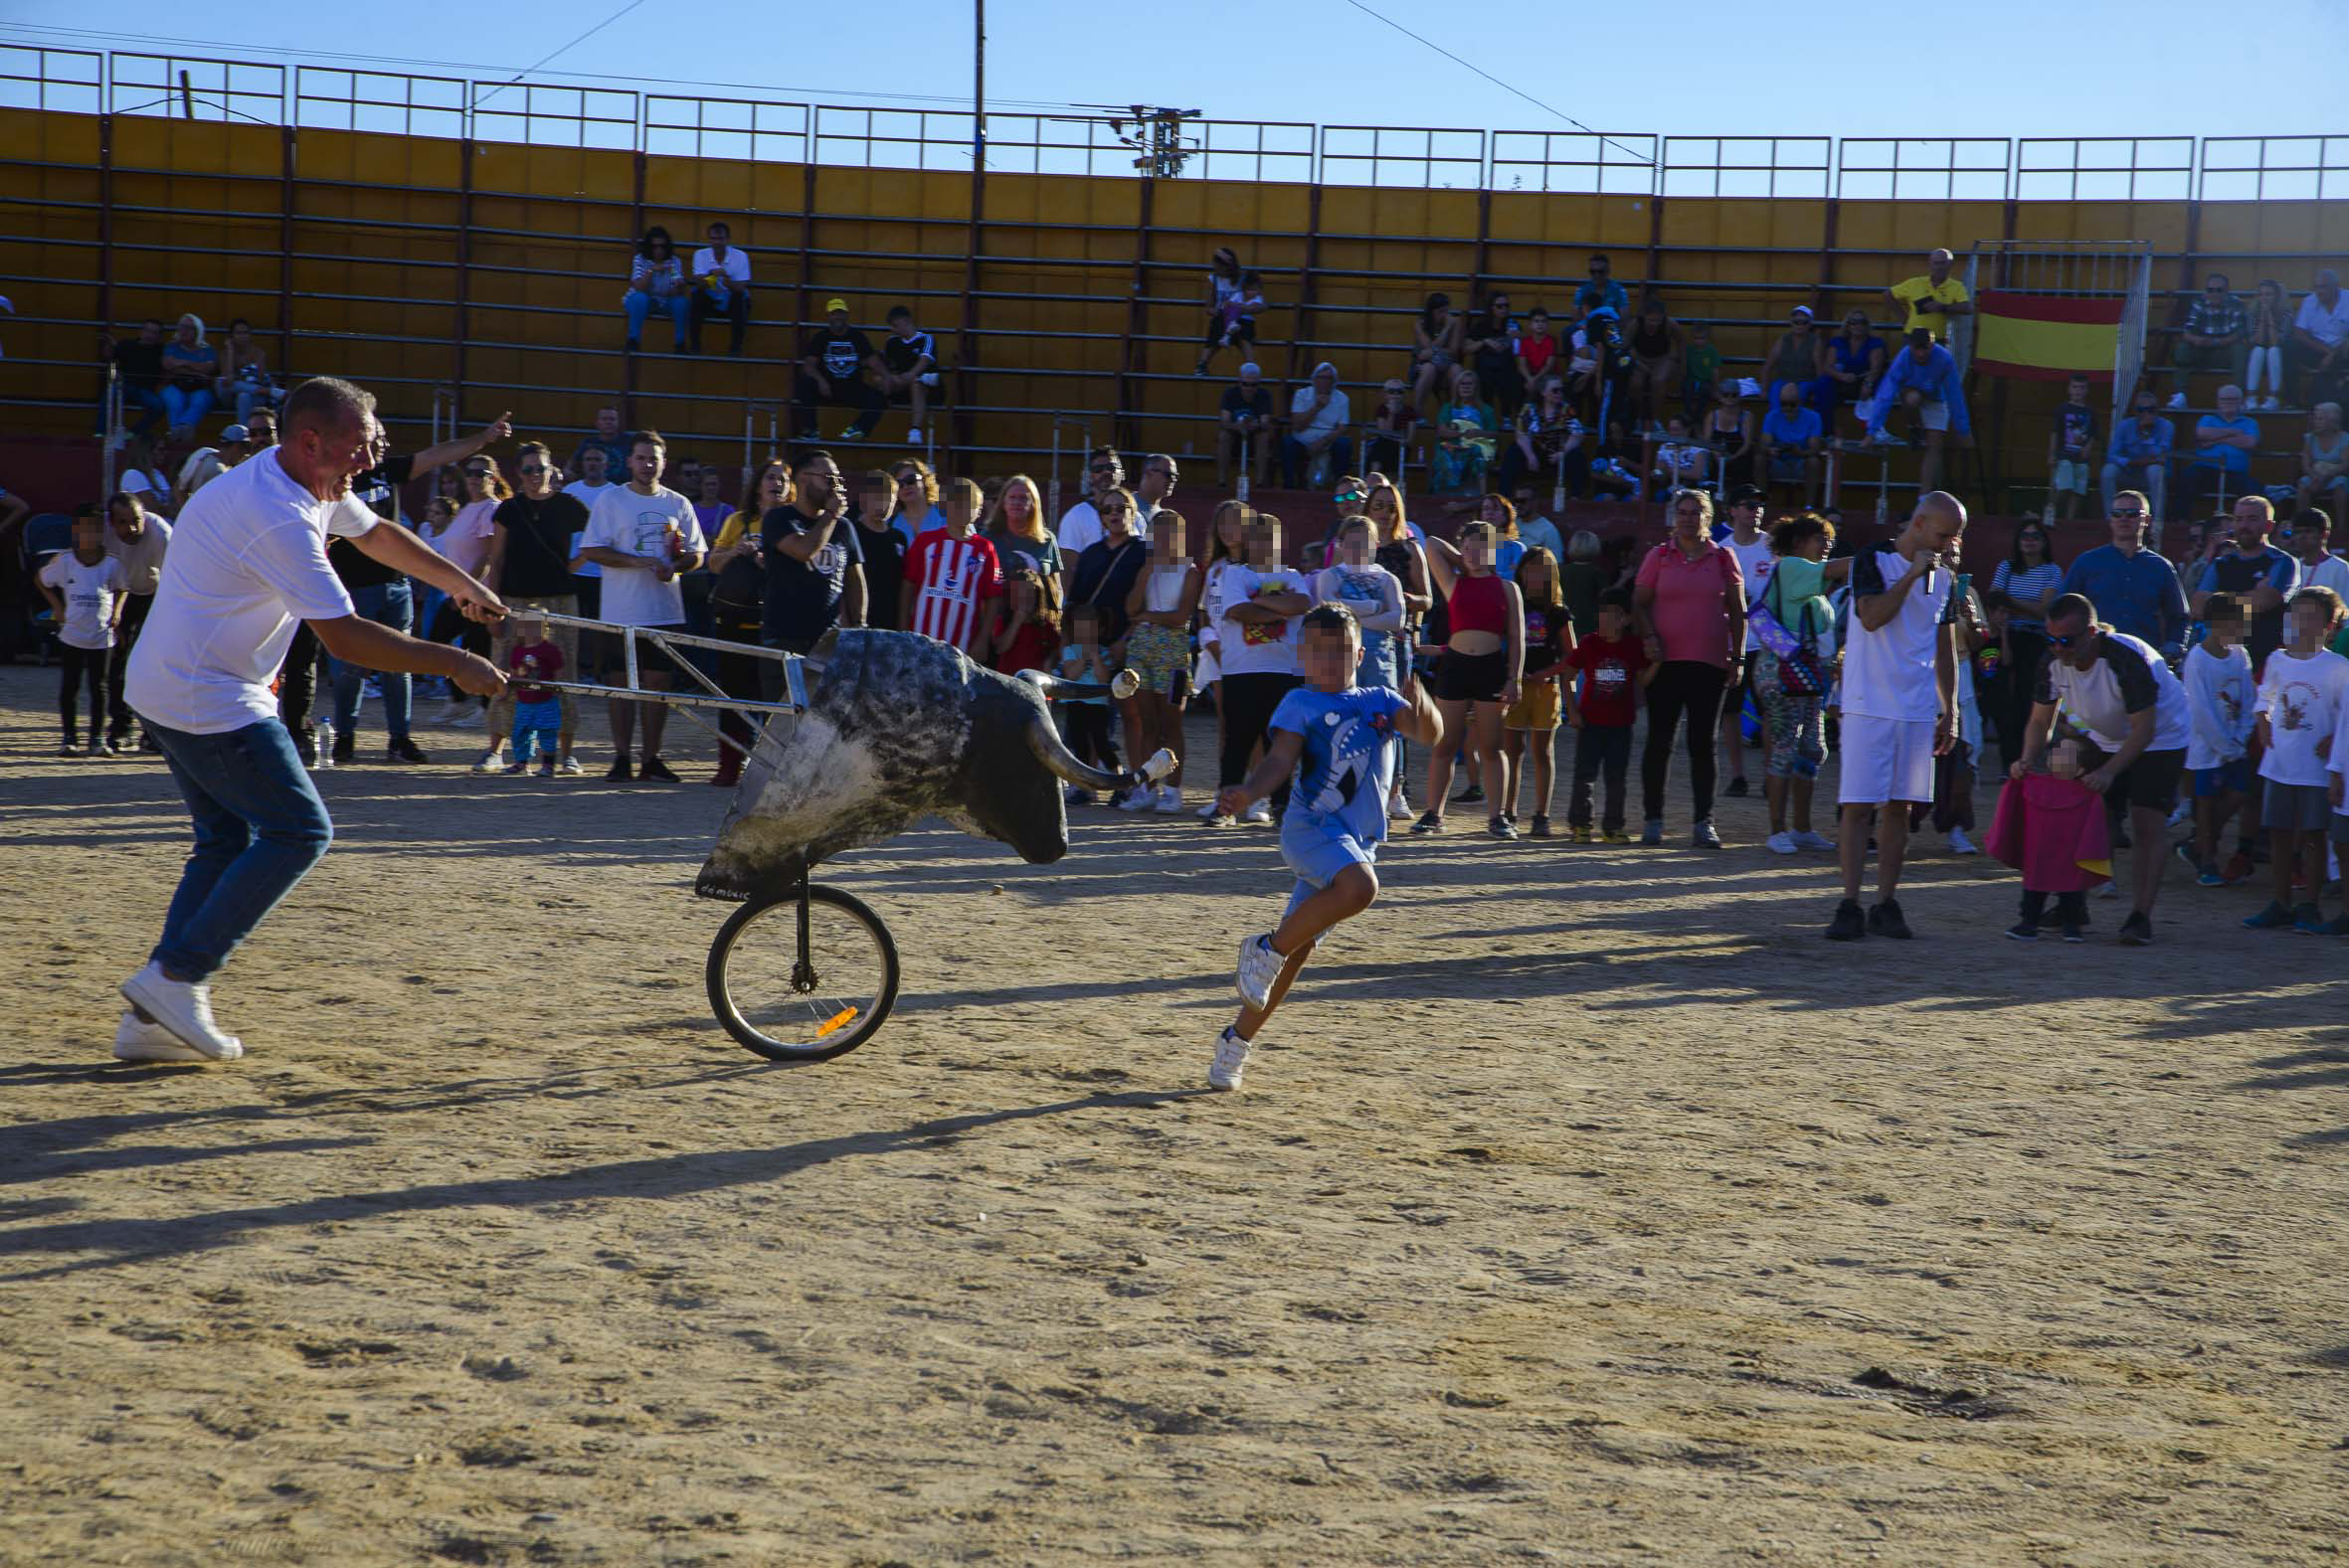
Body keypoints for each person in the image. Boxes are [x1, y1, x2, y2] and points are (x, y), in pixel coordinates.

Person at [117, 377, 507, 1063]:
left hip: (174, 684)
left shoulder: (305, 481)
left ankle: (152, 1017)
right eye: (362, 445)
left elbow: (377, 532)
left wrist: (461, 583)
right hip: (205, 694)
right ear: (311, 441)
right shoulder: (280, 514)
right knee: (299, 829)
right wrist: (454, 661)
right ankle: (177, 976)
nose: (371, 457)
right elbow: (347, 638)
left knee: (224, 840)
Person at [1207, 603, 1443, 1093]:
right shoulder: (1298, 703)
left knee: (1296, 953)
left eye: (1340, 652)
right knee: (1361, 889)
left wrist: (1423, 706)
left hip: (1355, 841)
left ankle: (1235, 1042)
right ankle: (1262, 947)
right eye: (1319, 652)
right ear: (1302, 657)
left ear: (1359, 653)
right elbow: (1278, 761)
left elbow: (1429, 734)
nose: (1330, 661)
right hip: (1311, 831)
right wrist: (1249, 793)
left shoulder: (1379, 699)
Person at [324, 409, 512, 765]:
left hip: (395, 585)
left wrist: (483, 439)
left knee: (401, 665)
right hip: (353, 587)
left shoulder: (385, 470)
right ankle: (344, 739)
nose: (383, 444)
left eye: (383, 440)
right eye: (377, 438)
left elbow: (438, 454)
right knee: (349, 666)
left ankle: (400, 740)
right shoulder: (339, 478)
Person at [2009, 593, 2193, 946]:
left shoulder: (2124, 658)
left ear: (2091, 632)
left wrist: (2109, 773)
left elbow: (2144, 730)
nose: (2057, 647)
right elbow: (2038, 721)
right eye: (2051, 639)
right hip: (2100, 732)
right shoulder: (2051, 660)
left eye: (2066, 640)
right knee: (2059, 789)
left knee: (2146, 821)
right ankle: (2070, 905)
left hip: (2161, 737)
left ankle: (2140, 917)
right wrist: (2027, 758)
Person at [1825, 491, 1966, 941]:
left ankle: (1886, 901)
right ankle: (1849, 901)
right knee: (1858, 805)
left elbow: (1945, 643)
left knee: (1901, 808)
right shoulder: (1873, 558)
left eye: (1955, 536)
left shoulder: (1946, 575)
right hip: (1868, 702)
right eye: (1944, 534)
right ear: (1920, 523)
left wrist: (1952, 705)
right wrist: (1911, 575)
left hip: (1917, 705)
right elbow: (1870, 617)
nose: (1949, 544)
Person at [572, 431, 707, 782]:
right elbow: (592, 549)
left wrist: (674, 567)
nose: (648, 464)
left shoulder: (678, 503)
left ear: (664, 462)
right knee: (620, 686)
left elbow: (697, 554)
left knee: (658, 688)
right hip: (621, 610)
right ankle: (621, 756)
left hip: (664, 609)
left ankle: (652, 757)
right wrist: (639, 563)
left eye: (654, 458)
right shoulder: (611, 500)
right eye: (642, 458)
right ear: (630, 461)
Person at [1633, 489, 1746, 848]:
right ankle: (1653, 820)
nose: (1687, 518)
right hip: (1664, 663)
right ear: (1672, 517)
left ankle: (1703, 822)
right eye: (1681, 512)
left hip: (1709, 663)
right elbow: (1638, 604)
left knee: (1703, 744)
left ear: (1708, 517)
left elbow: (1738, 611)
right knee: (1659, 741)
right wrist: (1649, 636)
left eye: (1695, 512)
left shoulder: (1723, 557)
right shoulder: (1658, 556)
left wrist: (1737, 657)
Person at [2242, 587, 2349, 932]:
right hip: (2280, 762)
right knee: (2280, 832)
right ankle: (2280, 901)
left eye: (2312, 617)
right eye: (2297, 615)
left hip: (2317, 767)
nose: (2303, 623)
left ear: (2330, 625)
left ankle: (2309, 904)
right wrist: (2262, 723)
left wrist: (2334, 740)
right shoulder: (2277, 660)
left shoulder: (2338, 667)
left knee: (2315, 835)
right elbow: (2265, 698)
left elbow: (2345, 715)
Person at [481, 441, 590, 777]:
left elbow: (596, 540)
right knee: (507, 673)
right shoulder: (508, 510)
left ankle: (566, 754)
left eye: (540, 468)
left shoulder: (570, 506)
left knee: (561, 674)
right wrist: (491, 607)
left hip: (558, 600)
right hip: (514, 601)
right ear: (518, 473)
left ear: (551, 470)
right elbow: (496, 561)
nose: (534, 475)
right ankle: (496, 751)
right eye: (527, 469)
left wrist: (571, 566)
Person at [1416, 521, 1526, 838]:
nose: (1474, 553)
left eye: (1481, 547)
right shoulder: (1453, 583)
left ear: (1494, 550)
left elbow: (1517, 638)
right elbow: (1433, 542)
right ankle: (1433, 814)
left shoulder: (1508, 588)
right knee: (1445, 744)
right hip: (1455, 666)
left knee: (1492, 747)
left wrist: (1514, 679)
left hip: (1491, 669)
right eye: (1467, 547)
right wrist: (1463, 557)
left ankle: (1498, 817)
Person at [1213, 510, 1312, 827]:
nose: (1266, 543)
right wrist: (1278, 606)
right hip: (1241, 671)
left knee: (1280, 742)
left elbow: (1301, 605)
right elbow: (1238, 611)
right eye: (1259, 537)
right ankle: (1225, 806)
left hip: (1286, 672)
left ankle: (1282, 804)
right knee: (1238, 741)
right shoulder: (1234, 575)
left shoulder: (1293, 575)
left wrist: (1263, 606)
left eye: (1272, 537)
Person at [1752, 512, 1844, 853]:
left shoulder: (1811, 583)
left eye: (1829, 539)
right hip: (1783, 674)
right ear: (1798, 543)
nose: (1827, 545)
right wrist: (1879, 556)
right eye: (1821, 538)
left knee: (1811, 750)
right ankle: (1778, 829)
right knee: (1785, 749)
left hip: (1805, 678)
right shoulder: (1792, 567)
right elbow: (1837, 569)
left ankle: (1801, 829)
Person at [703, 458, 789, 784]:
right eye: (770, 477)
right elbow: (713, 563)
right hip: (736, 621)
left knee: (774, 701)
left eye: (782, 479)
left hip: (776, 624)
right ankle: (729, 764)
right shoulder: (738, 521)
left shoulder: (796, 525)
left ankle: (768, 768)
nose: (776, 483)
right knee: (733, 697)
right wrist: (738, 552)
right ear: (758, 485)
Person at [1986, 737, 2112, 943]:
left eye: (2065, 754)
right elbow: (2015, 791)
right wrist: (2017, 771)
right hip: (2041, 849)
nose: (2055, 754)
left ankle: (2069, 925)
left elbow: (2095, 826)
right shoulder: (2036, 783)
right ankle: (2030, 923)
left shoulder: (2088, 793)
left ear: (2081, 769)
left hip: (2063, 850)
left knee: (2070, 889)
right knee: (2037, 888)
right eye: (2056, 750)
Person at [1121, 511, 1201, 813]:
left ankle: (1173, 791)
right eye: (1158, 533)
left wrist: (1147, 617)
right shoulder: (1147, 568)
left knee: (1172, 722)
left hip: (1175, 651)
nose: (1164, 540)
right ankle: (1146, 788)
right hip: (1142, 649)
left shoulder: (1190, 571)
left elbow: (1180, 617)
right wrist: (1145, 575)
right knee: (1146, 722)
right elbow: (1130, 608)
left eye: (1171, 533)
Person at [760, 449, 866, 676]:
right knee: (785, 710)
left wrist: (859, 628)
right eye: (828, 479)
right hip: (784, 638)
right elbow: (804, 550)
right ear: (802, 479)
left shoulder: (844, 526)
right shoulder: (779, 518)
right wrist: (830, 515)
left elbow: (856, 580)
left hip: (829, 642)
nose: (836, 486)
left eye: (839, 479)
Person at [1561, 588, 1649, 842]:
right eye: (1602, 613)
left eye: (1612, 614)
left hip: (1621, 725)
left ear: (1626, 620)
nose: (1605, 619)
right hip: (1590, 723)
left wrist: (1656, 662)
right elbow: (1567, 676)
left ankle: (1613, 827)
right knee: (1584, 776)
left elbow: (1643, 680)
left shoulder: (1633, 646)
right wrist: (1572, 711)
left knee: (1616, 778)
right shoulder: (1590, 643)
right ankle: (1580, 825)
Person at [37, 506, 126, 756]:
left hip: (101, 636)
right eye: (83, 530)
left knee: (100, 688)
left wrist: (117, 611)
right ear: (75, 532)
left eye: (95, 530)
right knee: (70, 686)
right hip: (72, 635)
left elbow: (122, 587)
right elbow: (42, 580)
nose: (89, 535)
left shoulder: (111, 564)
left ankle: (97, 739)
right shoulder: (64, 562)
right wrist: (57, 605)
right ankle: (69, 737)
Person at [2181, 594, 2257, 884]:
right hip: (2206, 746)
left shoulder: (2240, 655)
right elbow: (2200, 709)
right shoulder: (2198, 659)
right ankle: (2207, 861)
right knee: (2207, 801)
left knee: (2239, 793)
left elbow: (2248, 699)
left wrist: (2239, 738)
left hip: (2236, 746)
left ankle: (2196, 844)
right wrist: (2223, 745)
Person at [2060, 492, 2189, 660]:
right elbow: (2063, 608)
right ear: (2110, 519)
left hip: (2143, 661)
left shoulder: (2161, 567)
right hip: (2095, 659)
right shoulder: (2086, 563)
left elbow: (2179, 617)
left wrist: (2171, 651)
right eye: (2117, 514)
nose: (2124, 519)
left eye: (2132, 514)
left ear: (2147, 520)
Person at [1500, 547, 1569, 837]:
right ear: (1521, 572)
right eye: (1531, 569)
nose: (1536, 575)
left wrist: (1545, 674)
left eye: (1543, 570)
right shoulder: (1513, 605)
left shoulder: (1558, 612)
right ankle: (1508, 811)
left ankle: (1541, 814)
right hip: (1515, 686)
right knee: (1512, 751)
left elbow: (1572, 655)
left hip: (1545, 688)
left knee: (1543, 751)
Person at [2189, 493, 2300, 673]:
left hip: (2266, 662)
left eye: (2252, 519)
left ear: (2269, 525)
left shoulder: (2283, 562)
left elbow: (2264, 602)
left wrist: (2216, 600)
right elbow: (2198, 607)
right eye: (2239, 519)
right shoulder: (2221, 564)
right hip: (2222, 661)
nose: (2244, 525)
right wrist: (2251, 595)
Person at [1985, 519, 2065, 767]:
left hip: (2034, 641)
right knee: (1996, 696)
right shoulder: (2006, 567)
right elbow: (1992, 604)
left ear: (2044, 542)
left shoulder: (2052, 571)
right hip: (2002, 638)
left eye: (2035, 536)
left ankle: (2023, 758)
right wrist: (2012, 608)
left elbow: (2044, 611)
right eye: (2024, 536)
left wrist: (2009, 602)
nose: (2029, 540)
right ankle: (2005, 760)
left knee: (2027, 699)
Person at [101, 489, 171, 753]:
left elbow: (177, 578)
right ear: (111, 521)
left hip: (155, 595)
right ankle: (121, 727)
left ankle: (153, 731)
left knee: (152, 666)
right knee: (118, 664)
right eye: (123, 522)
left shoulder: (162, 534)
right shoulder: (100, 533)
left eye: (137, 520)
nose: (132, 528)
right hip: (118, 596)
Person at [901, 476, 1002, 657]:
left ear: (979, 511)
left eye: (969, 503)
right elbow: (908, 586)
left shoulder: (985, 549)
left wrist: (983, 640)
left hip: (962, 647)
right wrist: (901, 628)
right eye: (955, 502)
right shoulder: (925, 541)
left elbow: (993, 598)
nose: (961, 508)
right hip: (920, 641)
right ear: (945, 506)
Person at [1867, 329, 1972, 494]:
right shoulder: (1903, 358)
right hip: (1911, 393)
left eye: (1926, 348)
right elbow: (1885, 393)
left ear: (1932, 346)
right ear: (1910, 346)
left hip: (1936, 397)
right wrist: (1872, 430)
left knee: (1935, 444)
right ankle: (1913, 427)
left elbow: (1954, 395)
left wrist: (1963, 429)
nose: (1921, 353)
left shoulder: (1944, 359)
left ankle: (1923, 497)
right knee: (1912, 399)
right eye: (1917, 348)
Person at [792, 298, 883, 443]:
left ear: (847, 316)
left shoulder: (857, 336)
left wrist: (888, 376)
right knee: (804, 385)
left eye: (841, 313)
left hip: (852, 388)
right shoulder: (821, 337)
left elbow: (873, 361)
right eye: (834, 313)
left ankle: (857, 430)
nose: (838, 317)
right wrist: (821, 382)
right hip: (827, 389)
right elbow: (809, 365)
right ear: (828, 316)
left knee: (878, 398)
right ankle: (811, 430)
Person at [1055, 604, 1119, 799]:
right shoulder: (1070, 651)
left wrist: (1096, 658)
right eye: (1080, 630)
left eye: (1089, 630)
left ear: (1099, 629)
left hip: (1098, 706)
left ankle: (1119, 781)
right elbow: (1071, 675)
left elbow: (1103, 679)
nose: (1085, 635)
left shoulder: (1105, 653)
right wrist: (1083, 659)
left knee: (1102, 745)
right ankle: (1083, 787)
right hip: (1076, 704)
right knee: (1079, 745)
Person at [2167, 274, 2249, 408]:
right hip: (2202, 351)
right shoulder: (2198, 302)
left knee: (2239, 349)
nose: (2214, 293)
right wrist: (2196, 339)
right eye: (2210, 290)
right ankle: (2180, 395)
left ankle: (2239, 397)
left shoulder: (2237, 304)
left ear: (2227, 290)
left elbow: (2239, 334)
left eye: (2219, 290)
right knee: (2182, 348)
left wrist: (2216, 342)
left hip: (2225, 353)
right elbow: (2187, 331)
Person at [500, 615, 565, 778]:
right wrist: (507, 692)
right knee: (520, 733)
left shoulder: (550, 649)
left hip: (546, 700)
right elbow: (514, 674)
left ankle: (548, 765)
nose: (530, 630)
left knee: (547, 732)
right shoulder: (517, 650)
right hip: (524, 701)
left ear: (544, 628)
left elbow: (559, 671)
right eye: (526, 625)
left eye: (535, 625)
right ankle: (522, 763)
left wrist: (557, 687)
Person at [2100, 392, 2174, 526]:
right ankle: (2110, 518)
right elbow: (2111, 455)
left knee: (2155, 470)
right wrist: (2132, 462)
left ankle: (2157, 521)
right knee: (2108, 471)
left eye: (2150, 410)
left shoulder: (2166, 426)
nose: (2146, 414)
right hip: (2129, 472)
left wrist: (2146, 434)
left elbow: (2161, 456)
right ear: (2135, 412)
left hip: (2152, 476)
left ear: (2157, 411)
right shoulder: (2124, 426)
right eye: (2141, 410)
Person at [850, 466, 910, 632]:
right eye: (877, 496)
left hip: (890, 621)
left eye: (889, 498)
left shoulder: (899, 538)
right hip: (860, 620)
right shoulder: (852, 532)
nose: (883, 503)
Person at [2183, 385, 2259, 509]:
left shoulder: (2250, 422)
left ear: (2241, 401)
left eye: (2233, 399)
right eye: (2224, 399)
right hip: (2205, 469)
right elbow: (2202, 433)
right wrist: (2233, 432)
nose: (2228, 403)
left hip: (2235, 472)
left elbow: (2249, 442)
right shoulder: (2207, 419)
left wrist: (2215, 440)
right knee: (2187, 477)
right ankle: (2181, 521)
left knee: (2253, 490)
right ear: (2218, 401)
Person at [1281, 362, 1354, 489]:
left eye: (1329, 378)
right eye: (1321, 378)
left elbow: (1343, 428)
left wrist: (1323, 441)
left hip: (1328, 437)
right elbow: (1297, 425)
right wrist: (1317, 407)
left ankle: (1341, 487)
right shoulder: (1301, 395)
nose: (1325, 381)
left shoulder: (1342, 398)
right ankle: (1289, 486)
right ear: (1314, 380)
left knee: (1344, 443)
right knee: (1287, 443)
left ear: (1334, 381)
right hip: (1303, 437)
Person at [1195, 252, 1265, 381]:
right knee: (1216, 328)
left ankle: (1251, 367)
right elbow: (1209, 307)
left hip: (1244, 316)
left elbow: (1259, 302)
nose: (1218, 270)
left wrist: (1240, 308)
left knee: (1244, 333)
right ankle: (1202, 364)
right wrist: (1214, 311)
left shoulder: (1244, 278)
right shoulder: (1214, 279)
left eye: (1220, 267)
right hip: (1224, 315)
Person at [1055, 446, 1131, 565]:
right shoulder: (1075, 517)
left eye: (1111, 468)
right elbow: (1067, 569)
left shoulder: (1136, 516)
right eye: (1098, 469)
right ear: (1089, 476)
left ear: (1122, 474)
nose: (1106, 472)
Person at [686, 220, 752, 356]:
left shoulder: (741, 256)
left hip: (733, 301)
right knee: (696, 296)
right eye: (713, 238)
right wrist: (712, 276)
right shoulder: (700, 254)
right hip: (710, 300)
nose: (717, 242)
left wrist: (728, 281)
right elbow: (698, 284)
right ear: (709, 239)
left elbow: (741, 287)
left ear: (727, 239)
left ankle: (736, 347)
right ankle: (695, 345)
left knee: (739, 299)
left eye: (720, 238)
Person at [876, 305, 939, 445]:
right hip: (900, 384)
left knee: (917, 383)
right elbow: (888, 367)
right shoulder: (891, 342)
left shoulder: (926, 339)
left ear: (906, 321)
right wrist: (892, 377)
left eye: (895, 325)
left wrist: (911, 375)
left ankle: (915, 429)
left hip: (927, 391)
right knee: (879, 380)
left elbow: (925, 359)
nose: (893, 329)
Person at [1812, 309, 1887, 427]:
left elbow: (1876, 368)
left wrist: (1868, 384)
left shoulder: (1875, 343)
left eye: (1862, 322)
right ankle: (1825, 430)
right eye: (1854, 322)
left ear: (1867, 325)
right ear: (1847, 325)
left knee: (1882, 387)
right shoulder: (1837, 342)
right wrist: (1842, 376)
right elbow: (1828, 366)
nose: (1858, 326)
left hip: (1865, 380)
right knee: (1823, 384)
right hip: (1842, 382)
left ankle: (1876, 431)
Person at [2287, 268, 2349, 408]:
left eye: (2324, 287)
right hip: (2318, 348)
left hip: (2343, 349)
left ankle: (2318, 399)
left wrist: (2334, 353)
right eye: (2317, 287)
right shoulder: (2310, 301)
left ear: (2336, 287)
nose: (2319, 291)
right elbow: (2299, 333)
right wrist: (2328, 353)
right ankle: (2291, 400)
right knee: (2289, 347)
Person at [982, 472, 1060, 582]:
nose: (1017, 502)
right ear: (1003, 503)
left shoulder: (1047, 539)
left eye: (1023, 498)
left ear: (1033, 504)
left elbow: (1057, 588)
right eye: (1012, 497)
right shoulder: (987, 538)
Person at [623, 226, 690, 352]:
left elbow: (676, 292)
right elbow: (639, 287)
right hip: (643, 301)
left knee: (682, 302)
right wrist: (651, 270)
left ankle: (680, 343)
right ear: (649, 247)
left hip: (665, 300)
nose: (658, 250)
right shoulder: (640, 259)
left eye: (662, 246)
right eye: (654, 246)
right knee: (639, 298)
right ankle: (633, 340)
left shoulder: (674, 261)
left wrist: (679, 284)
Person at [1759, 380, 1826, 507]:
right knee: (1759, 459)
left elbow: (1815, 449)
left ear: (1800, 402)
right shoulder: (1772, 416)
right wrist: (1770, 450)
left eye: (1792, 404)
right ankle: (1762, 503)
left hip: (1801, 461)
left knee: (1814, 461)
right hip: (1778, 461)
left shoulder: (1814, 417)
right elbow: (1764, 445)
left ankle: (1809, 506)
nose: (1788, 408)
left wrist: (1800, 452)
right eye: (1784, 404)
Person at [100, 318, 168, 437]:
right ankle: (102, 433)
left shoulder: (162, 351)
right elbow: (110, 360)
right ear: (141, 332)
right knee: (109, 393)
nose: (150, 335)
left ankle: (133, 433)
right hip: (123, 385)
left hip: (145, 390)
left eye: (154, 332)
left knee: (159, 406)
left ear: (159, 336)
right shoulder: (127, 345)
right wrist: (113, 374)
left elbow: (167, 369)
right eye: (147, 331)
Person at [992, 563, 1061, 678]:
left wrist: (1050, 661)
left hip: (1034, 682)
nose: (1023, 601)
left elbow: (1057, 649)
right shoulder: (1004, 620)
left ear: (1037, 597)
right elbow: (999, 648)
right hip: (1007, 681)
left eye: (1028, 596)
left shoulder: (1045, 625)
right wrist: (1016, 622)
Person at [1884, 248, 1973, 338]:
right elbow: (1888, 294)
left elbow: (1968, 308)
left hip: (1939, 338)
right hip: (1913, 336)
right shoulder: (1915, 283)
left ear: (1950, 264)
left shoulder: (1957, 286)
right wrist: (1903, 318)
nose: (1939, 267)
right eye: (1936, 263)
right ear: (1930, 264)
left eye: (1943, 263)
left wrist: (1943, 307)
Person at [2047, 373, 2100, 522]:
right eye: (2075, 387)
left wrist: (2088, 448)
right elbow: (2055, 432)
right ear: (2069, 389)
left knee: (2078, 490)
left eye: (2081, 388)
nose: (2078, 391)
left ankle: (2069, 521)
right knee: (2063, 486)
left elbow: (2094, 434)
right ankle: (2050, 514)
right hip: (2063, 455)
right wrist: (2051, 454)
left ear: (2087, 390)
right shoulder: (2061, 409)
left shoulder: (2091, 412)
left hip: (2081, 458)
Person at [1465, 293, 1524, 420]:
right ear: (1491, 308)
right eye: (1499, 306)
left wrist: (1519, 338)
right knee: (1485, 377)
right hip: (1485, 368)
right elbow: (1467, 348)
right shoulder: (1481, 326)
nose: (1504, 309)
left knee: (1513, 378)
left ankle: (1507, 416)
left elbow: (1519, 351)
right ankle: (1487, 417)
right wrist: (1484, 342)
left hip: (1506, 367)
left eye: (1506, 306)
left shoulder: (1512, 325)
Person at [216, 318, 280, 427]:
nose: (242, 336)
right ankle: (269, 391)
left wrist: (238, 380)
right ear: (232, 336)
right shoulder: (225, 354)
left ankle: (244, 435)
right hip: (230, 398)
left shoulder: (259, 354)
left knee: (243, 396)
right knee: (219, 382)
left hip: (254, 397)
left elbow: (258, 379)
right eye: (238, 333)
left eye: (245, 333)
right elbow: (227, 381)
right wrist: (231, 352)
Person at [1218, 362, 1275, 485]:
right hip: (1235, 436)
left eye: (1253, 385)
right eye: (1245, 384)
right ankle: (1222, 481)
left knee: (1263, 437)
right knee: (1224, 436)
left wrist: (1255, 425)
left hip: (1254, 436)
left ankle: (1260, 482)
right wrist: (1237, 426)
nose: (1249, 388)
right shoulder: (1230, 393)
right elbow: (1224, 421)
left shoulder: (1264, 395)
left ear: (1258, 384)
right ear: (1239, 382)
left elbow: (1265, 423)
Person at [1408, 292, 1464, 411]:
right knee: (1429, 369)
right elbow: (1428, 347)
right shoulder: (1420, 324)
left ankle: (1455, 412)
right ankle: (1417, 413)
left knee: (1457, 370)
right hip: (1423, 365)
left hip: (1447, 363)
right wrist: (1446, 330)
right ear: (1431, 312)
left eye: (1446, 311)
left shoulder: (1455, 322)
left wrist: (1448, 327)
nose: (1444, 315)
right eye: (1440, 312)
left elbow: (1453, 351)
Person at [2245, 278, 2291, 411]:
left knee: (2273, 351)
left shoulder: (2286, 315)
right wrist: (2262, 318)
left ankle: (2274, 397)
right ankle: (2251, 397)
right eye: (2261, 294)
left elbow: (2275, 342)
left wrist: (2269, 316)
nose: (2264, 298)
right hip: (2256, 354)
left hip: (2280, 354)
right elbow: (2257, 341)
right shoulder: (2252, 313)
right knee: (2258, 350)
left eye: (2268, 294)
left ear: (2276, 296)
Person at [1700, 380, 1754, 490]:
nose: (1730, 398)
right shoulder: (1712, 416)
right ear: (1720, 397)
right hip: (1715, 458)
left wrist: (1733, 457)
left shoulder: (1747, 417)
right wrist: (1717, 456)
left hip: (1739, 457)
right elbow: (1706, 442)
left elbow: (1747, 444)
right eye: (1726, 394)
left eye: (1734, 395)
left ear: (1739, 397)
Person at [2285, 505, 2349, 598]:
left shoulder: (2340, 568)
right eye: (2297, 532)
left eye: (2308, 531)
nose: (2302, 536)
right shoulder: (2293, 567)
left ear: (2324, 534)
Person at [2297, 403, 2348, 513]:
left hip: (2336, 475)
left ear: (2332, 421)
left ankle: (2341, 526)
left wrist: (2326, 476)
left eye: (2320, 419)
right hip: (2315, 475)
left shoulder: (2345, 438)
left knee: (2341, 484)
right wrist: (2313, 476)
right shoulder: (2309, 438)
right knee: (2303, 483)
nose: (2315, 422)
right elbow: (2305, 462)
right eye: (2315, 419)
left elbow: (2345, 465)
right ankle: (2302, 521)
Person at [571, 408, 631, 484]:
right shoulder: (588, 442)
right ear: (597, 423)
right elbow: (570, 466)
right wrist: (569, 472)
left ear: (618, 423)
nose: (608, 422)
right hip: (595, 488)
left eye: (612, 419)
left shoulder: (629, 441)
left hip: (622, 488)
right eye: (604, 419)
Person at [1132, 452, 1179, 534]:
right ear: (1148, 473)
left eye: (1176, 476)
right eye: (1168, 475)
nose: (1173, 480)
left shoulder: (1167, 516)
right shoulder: (1123, 505)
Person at [1574, 255, 1630, 319]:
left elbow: (1624, 319)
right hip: (1588, 327)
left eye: (1600, 272)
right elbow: (1576, 318)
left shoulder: (1618, 290)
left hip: (1610, 327)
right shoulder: (1582, 290)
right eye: (1592, 271)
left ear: (1608, 272)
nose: (1596, 275)